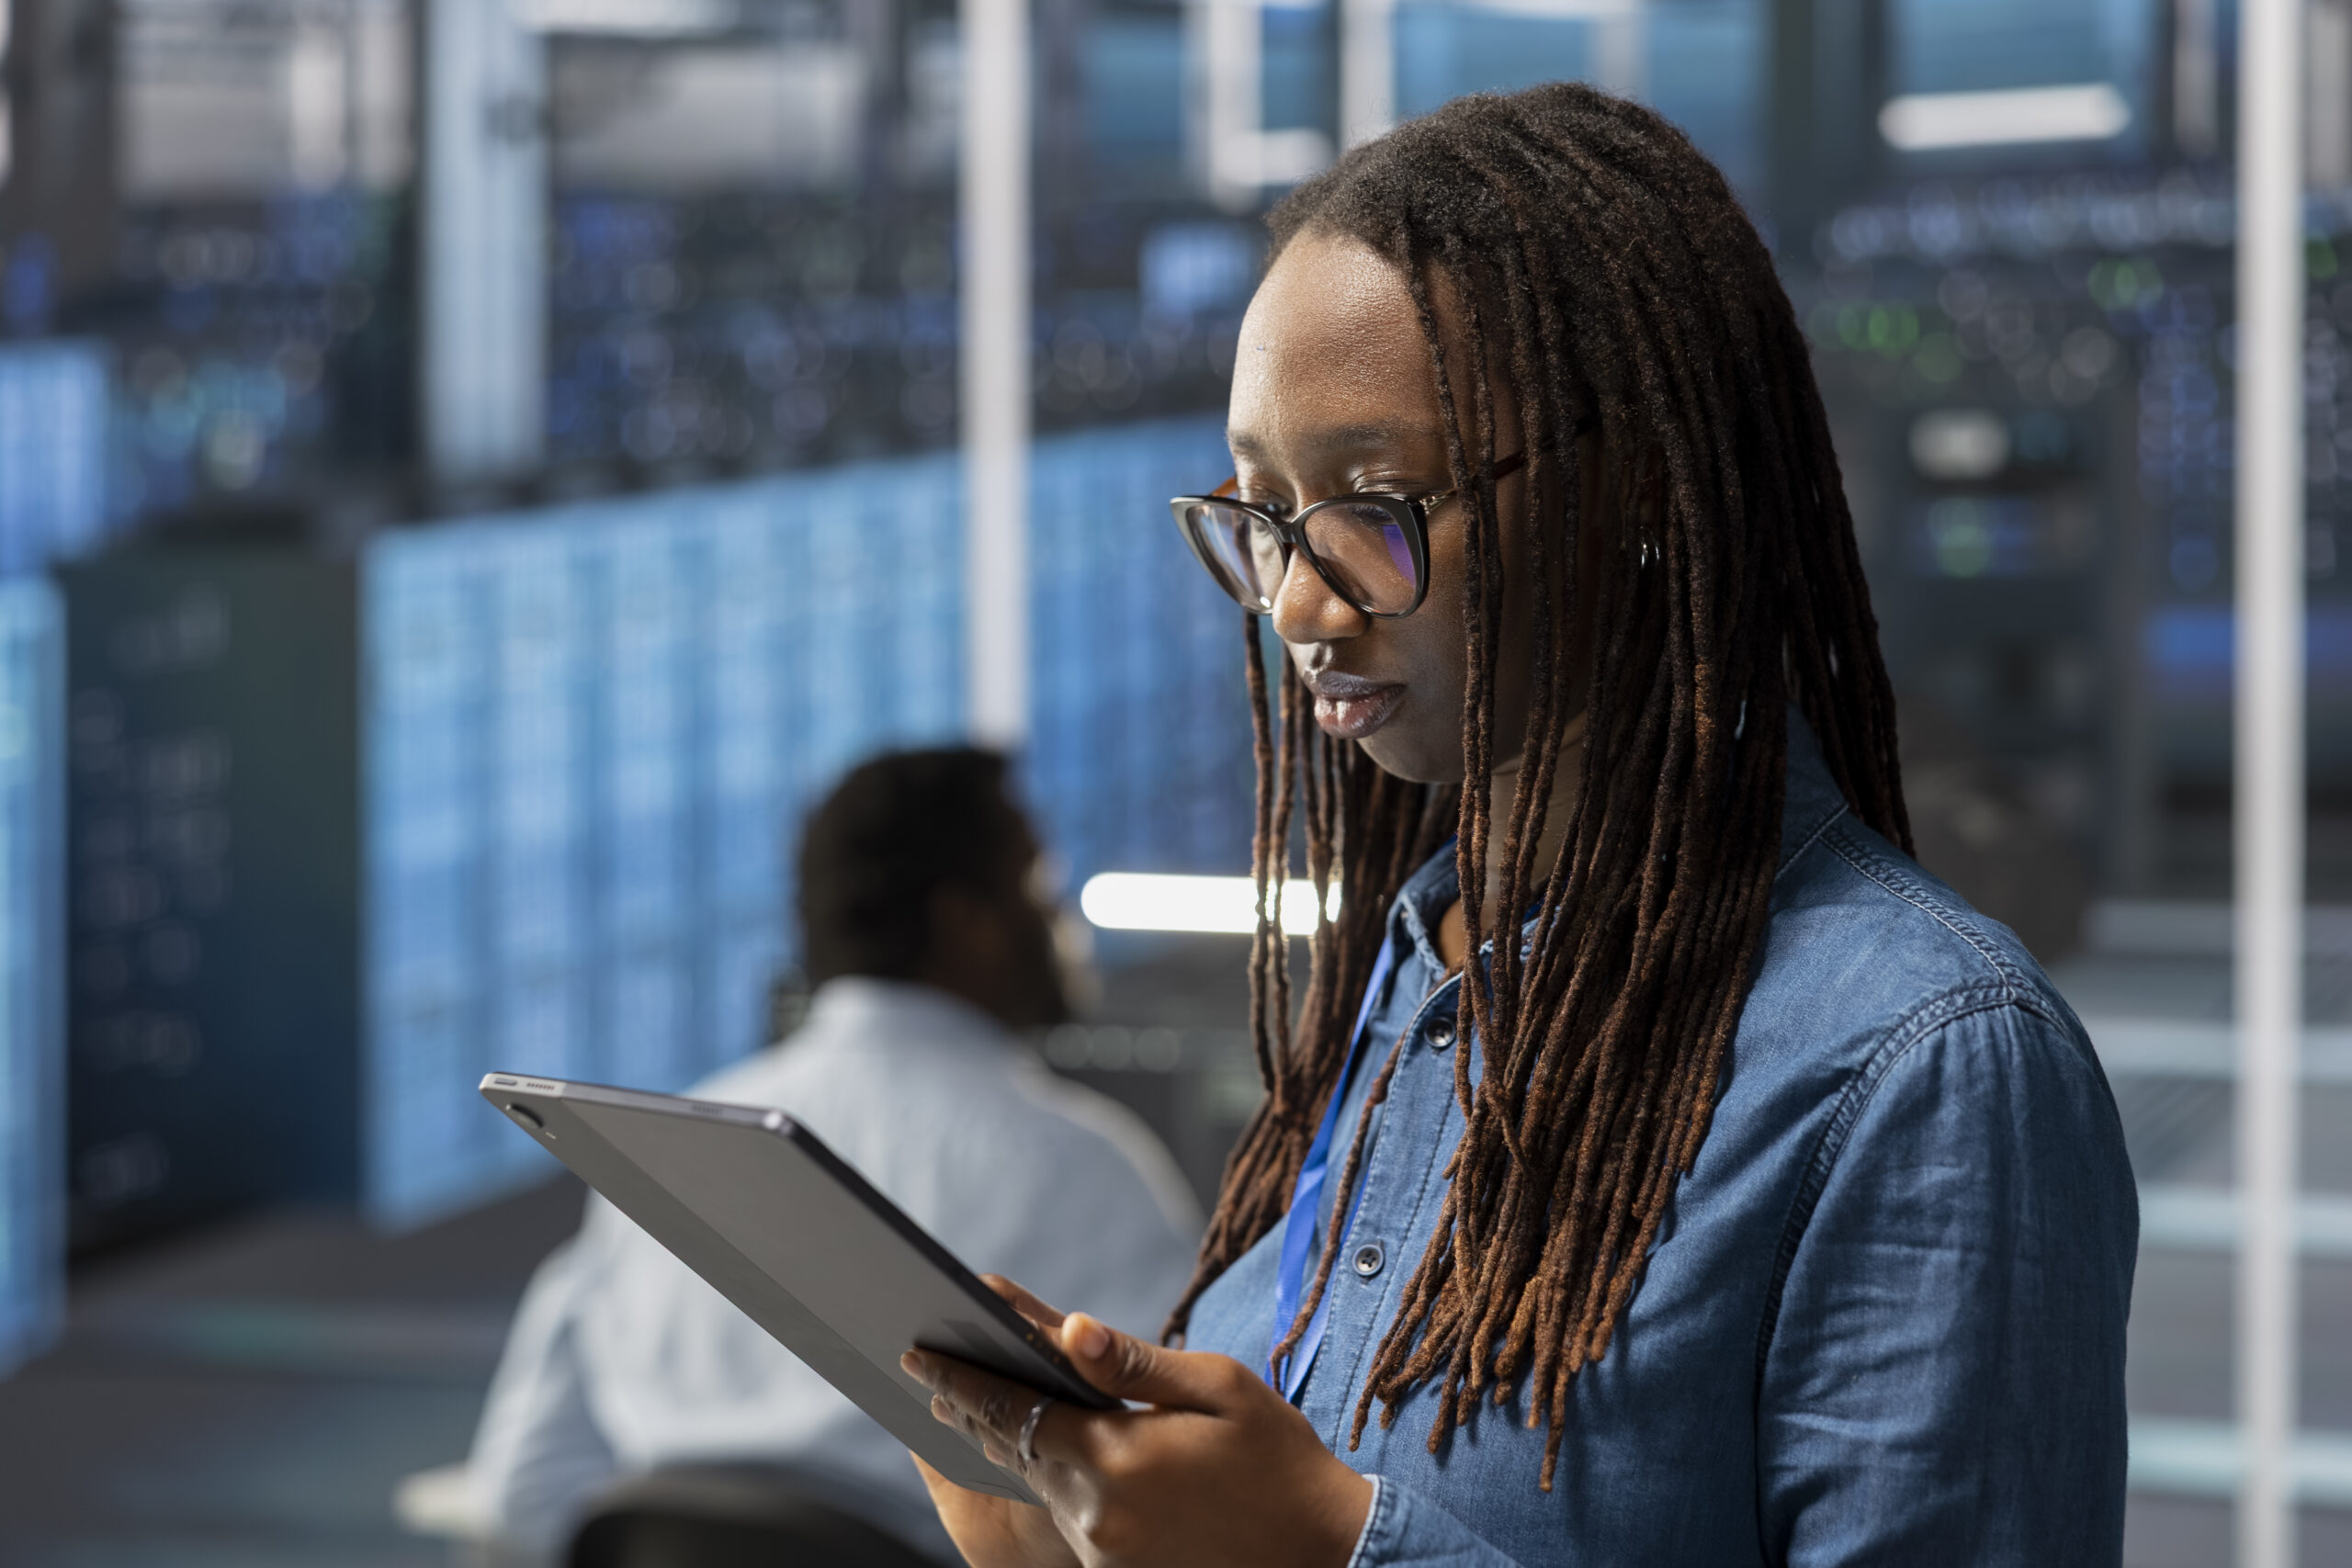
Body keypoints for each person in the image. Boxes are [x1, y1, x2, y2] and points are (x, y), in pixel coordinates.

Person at [903, 84, 2138, 1567]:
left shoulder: (1930, 1063)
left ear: (1631, 489)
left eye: (1372, 499)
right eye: (1265, 509)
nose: (1297, 598)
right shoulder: (1408, 985)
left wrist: (1333, 1552)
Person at [465, 748, 1203, 1561]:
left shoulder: (657, 1154)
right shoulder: (1089, 1168)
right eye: (1039, 887)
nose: (1060, 923)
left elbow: (520, 1493)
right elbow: (1172, 1496)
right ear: (967, 919)